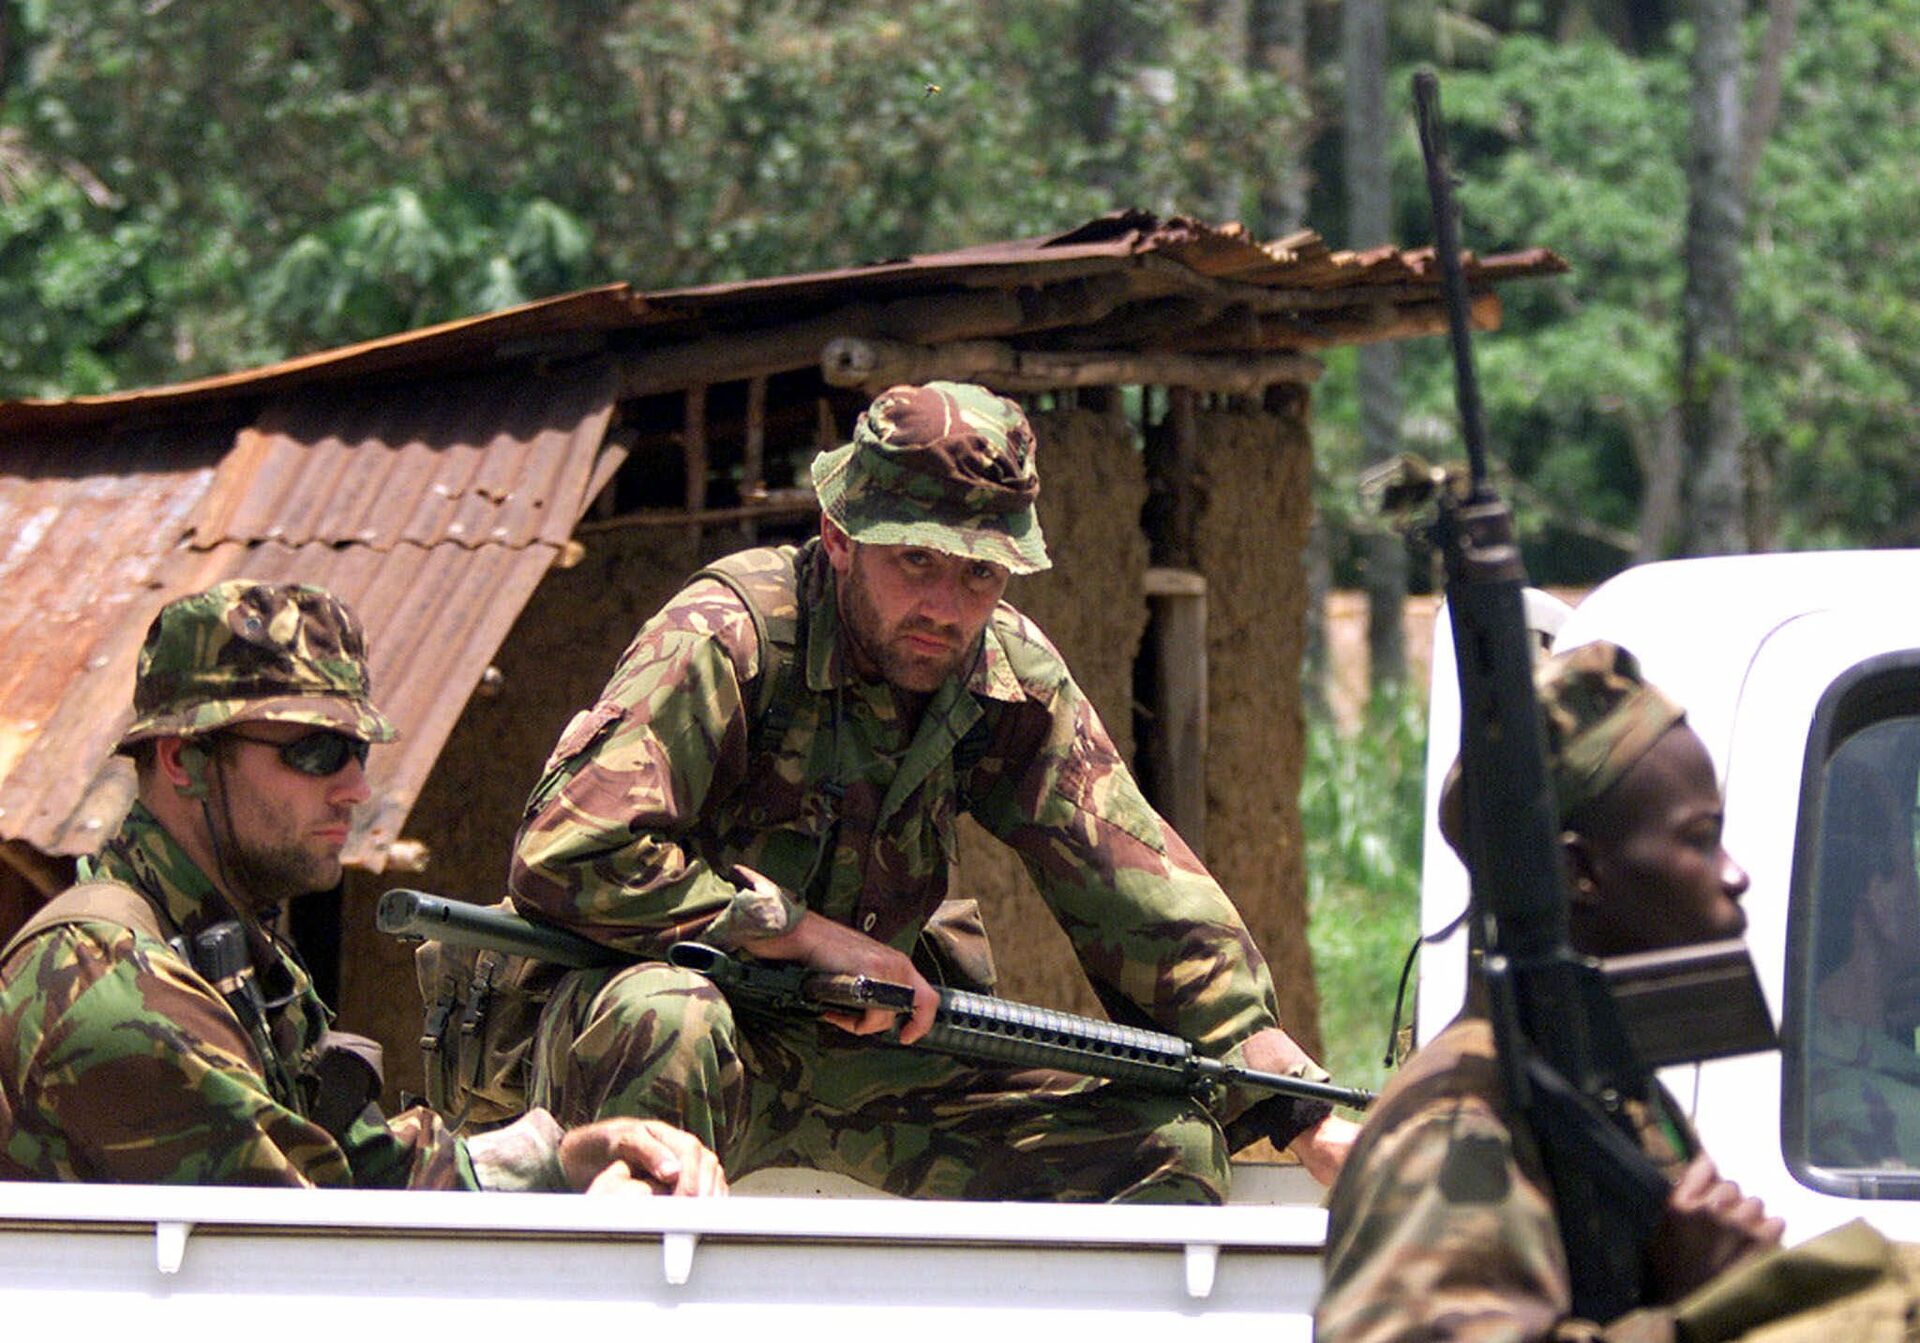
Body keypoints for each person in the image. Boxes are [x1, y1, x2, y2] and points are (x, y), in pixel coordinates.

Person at [509, 380, 1357, 1202]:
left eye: (981, 574)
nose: (947, 608)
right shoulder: (729, 635)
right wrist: (803, 935)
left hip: (858, 1057)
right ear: (840, 535)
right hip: (655, 1034)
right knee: (675, 1017)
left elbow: (1143, 897)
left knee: (1165, 1140)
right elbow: (568, 850)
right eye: (917, 559)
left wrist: (1295, 1107)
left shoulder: (1004, 676)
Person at [0, 580, 725, 1196]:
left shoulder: (226, 954)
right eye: (315, 751)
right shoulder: (109, 981)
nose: (356, 788)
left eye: (358, 751)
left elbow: (364, 1168)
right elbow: (315, 1245)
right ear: (184, 758)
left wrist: (561, 1157)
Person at [1316, 641, 1784, 1342]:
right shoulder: (1460, 1130)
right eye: (1701, 838)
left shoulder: (1593, 1088)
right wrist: (1694, 1317)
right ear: (1578, 872)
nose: (1736, 873)